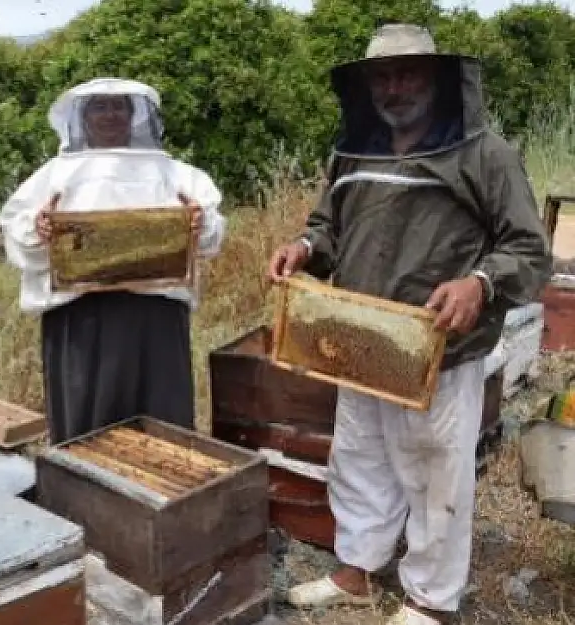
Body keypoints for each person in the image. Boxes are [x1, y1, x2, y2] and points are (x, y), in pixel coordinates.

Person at [269, 24, 551, 625]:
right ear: (367, 86)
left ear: (438, 80)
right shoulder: (354, 151)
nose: (394, 88)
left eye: (407, 74)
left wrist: (479, 283)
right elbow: (329, 228)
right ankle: (356, 573)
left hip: (439, 349)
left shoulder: (485, 155)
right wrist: (302, 246)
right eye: (382, 77)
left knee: (434, 473)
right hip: (359, 340)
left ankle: (430, 599)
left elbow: (528, 248)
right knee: (360, 457)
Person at [0, 78, 226, 444]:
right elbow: (18, 234)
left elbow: (211, 239)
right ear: (83, 117)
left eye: (119, 106)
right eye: (99, 107)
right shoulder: (54, 175)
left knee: (161, 431)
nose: (110, 115)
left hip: (156, 321)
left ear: (135, 114)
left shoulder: (177, 175)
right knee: (90, 433)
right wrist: (39, 229)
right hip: (82, 321)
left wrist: (200, 224)